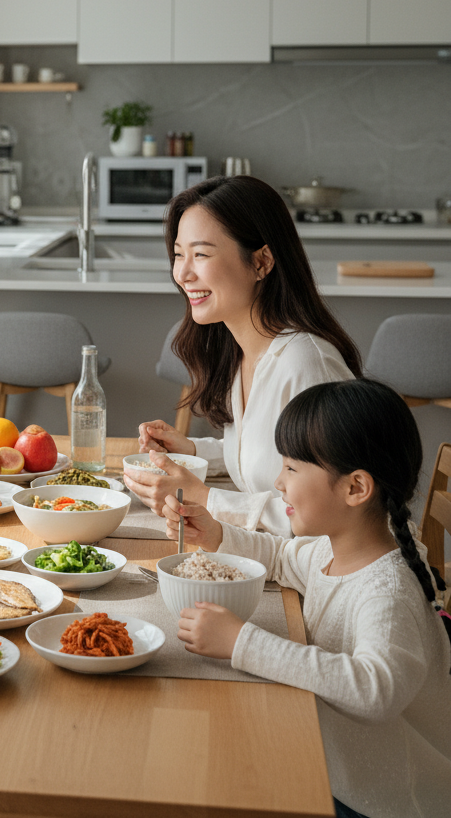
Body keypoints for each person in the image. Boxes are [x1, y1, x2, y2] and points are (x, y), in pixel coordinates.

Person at [163, 379, 451, 818]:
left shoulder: (387, 593)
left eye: (293, 468)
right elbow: (280, 556)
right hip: (333, 761)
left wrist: (244, 642)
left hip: (382, 800)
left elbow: (375, 690)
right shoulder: (331, 548)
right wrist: (218, 533)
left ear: (356, 488)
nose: (278, 483)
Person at [125, 175, 361, 534]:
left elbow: (326, 517)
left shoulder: (305, 365)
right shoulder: (245, 353)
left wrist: (205, 497)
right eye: (178, 255)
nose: (183, 274)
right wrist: (191, 450)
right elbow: (268, 456)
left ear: (262, 262)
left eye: (201, 254)